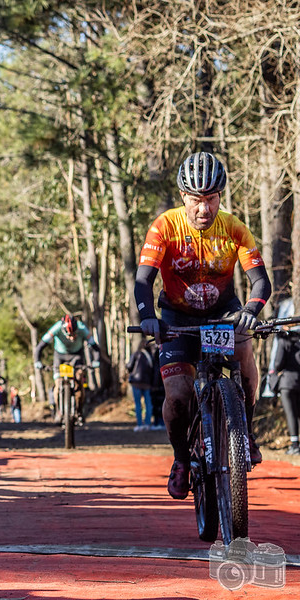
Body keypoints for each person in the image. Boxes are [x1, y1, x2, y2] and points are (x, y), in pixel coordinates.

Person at [134, 151, 271, 500]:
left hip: (223, 315)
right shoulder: (164, 227)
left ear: (220, 196)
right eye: (196, 199)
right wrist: (147, 316)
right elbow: (143, 281)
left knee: (245, 359)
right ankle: (181, 459)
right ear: (184, 197)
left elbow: (260, 282)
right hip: (176, 319)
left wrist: (252, 310)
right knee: (178, 396)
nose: (203, 208)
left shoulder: (235, 227)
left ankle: (246, 433)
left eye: (210, 198)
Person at [34, 313, 101, 423]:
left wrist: (96, 361)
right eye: (69, 335)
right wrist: (37, 361)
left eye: (74, 335)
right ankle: (58, 411)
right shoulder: (56, 328)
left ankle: (79, 411)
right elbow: (40, 346)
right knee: (58, 382)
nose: (71, 338)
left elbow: (95, 347)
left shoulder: (82, 328)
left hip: (76, 355)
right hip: (59, 356)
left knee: (79, 380)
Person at [272, 327, 300, 455]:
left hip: (287, 383)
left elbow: (278, 363)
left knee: (291, 414)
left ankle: (295, 445)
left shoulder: (284, 341)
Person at [126, 340, 155, 431]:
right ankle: (147, 424)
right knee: (148, 404)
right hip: (147, 383)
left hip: (136, 382)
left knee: (138, 404)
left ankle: (139, 424)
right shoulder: (150, 356)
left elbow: (129, 366)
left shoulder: (136, 354)